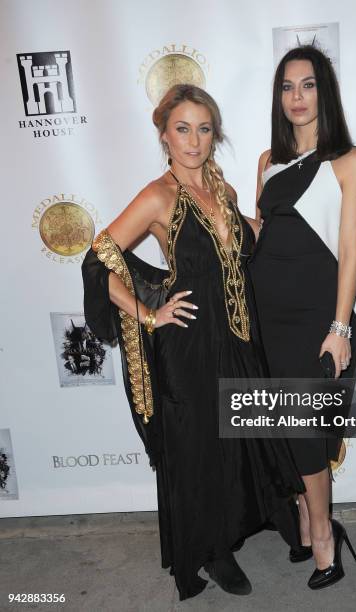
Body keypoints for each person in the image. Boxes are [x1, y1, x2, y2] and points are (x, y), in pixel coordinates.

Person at [81, 84, 305, 601]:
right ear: (164, 135)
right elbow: (98, 260)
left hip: (240, 339)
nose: (194, 140)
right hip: (191, 346)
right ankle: (212, 551)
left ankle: (273, 518)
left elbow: (251, 240)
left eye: (204, 129)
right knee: (202, 450)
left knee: (246, 436)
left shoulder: (222, 191)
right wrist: (149, 315)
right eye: (183, 129)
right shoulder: (158, 196)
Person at [248, 45, 356, 590]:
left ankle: (324, 535)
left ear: (325, 92)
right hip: (267, 314)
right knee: (285, 426)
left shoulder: (349, 162)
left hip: (316, 318)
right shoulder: (267, 161)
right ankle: (312, 522)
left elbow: (350, 250)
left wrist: (339, 328)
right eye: (287, 87)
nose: (297, 97)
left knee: (307, 428)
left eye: (308, 85)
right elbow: (264, 234)